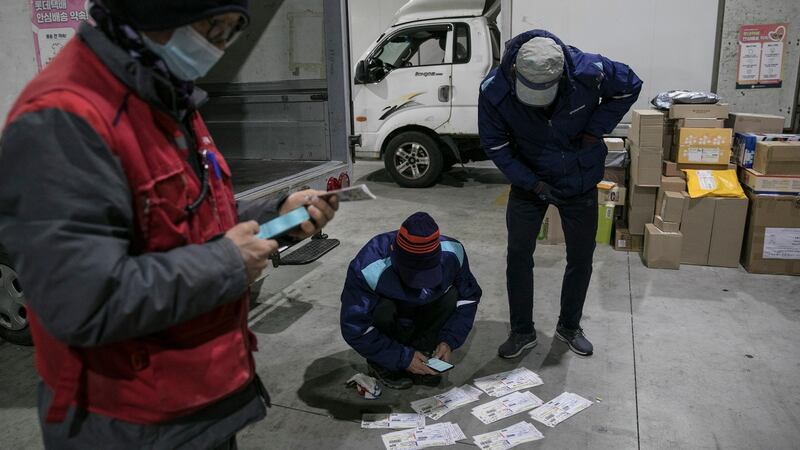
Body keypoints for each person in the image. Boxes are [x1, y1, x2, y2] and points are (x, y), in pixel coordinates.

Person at [0, 1, 338, 448]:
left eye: (232, 31)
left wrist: (278, 218)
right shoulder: (61, 123)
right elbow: (79, 302)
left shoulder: (166, 97)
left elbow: (189, 220)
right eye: (213, 27)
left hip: (196, 404)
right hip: (127, 423)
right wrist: (226, 265)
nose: (219, 47)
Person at [478, 30, 642, 358]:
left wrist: (594, 129)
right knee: (518, 257)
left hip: (578, 179)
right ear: (514, 74)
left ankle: (569, 327)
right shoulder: (494, 90)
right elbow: (496, 146)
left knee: (581, 258)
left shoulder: (590, 71)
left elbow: (630, 86)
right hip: (530, 181)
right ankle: (522, 332)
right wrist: (531, 182)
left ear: (562, 75)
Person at [340, 212, 482, 389]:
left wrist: (448, 340)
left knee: (452, 295)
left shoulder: (453, 253)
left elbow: (468, 298)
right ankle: (383, 363)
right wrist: (401, 357)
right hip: (393, 316)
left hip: (423, 312)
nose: (420, 285)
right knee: (381, 308)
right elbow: (355, 328)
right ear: (393, 251)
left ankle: (424, 353)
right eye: (413, 274)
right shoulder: (368, 266)